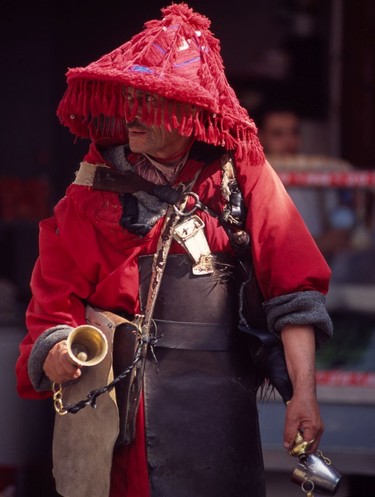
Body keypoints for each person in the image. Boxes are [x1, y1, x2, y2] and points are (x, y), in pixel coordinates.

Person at [15, 4, 333, 497]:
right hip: (119, 418)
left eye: (150, 101)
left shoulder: (241, 174)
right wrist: (56, 347)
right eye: (131, 98)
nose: (132, 114)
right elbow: (54, 295)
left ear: (188, 113)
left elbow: (293, 290)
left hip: (220, 413)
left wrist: (305, 395)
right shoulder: (91, 190)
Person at [256, 103, 357, 260]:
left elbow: (340, 231)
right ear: (261, 136)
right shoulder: (253, 178)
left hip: (317, 264)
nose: (288, 141)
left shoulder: (319, 175)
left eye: (294, 132)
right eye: (277, 134)